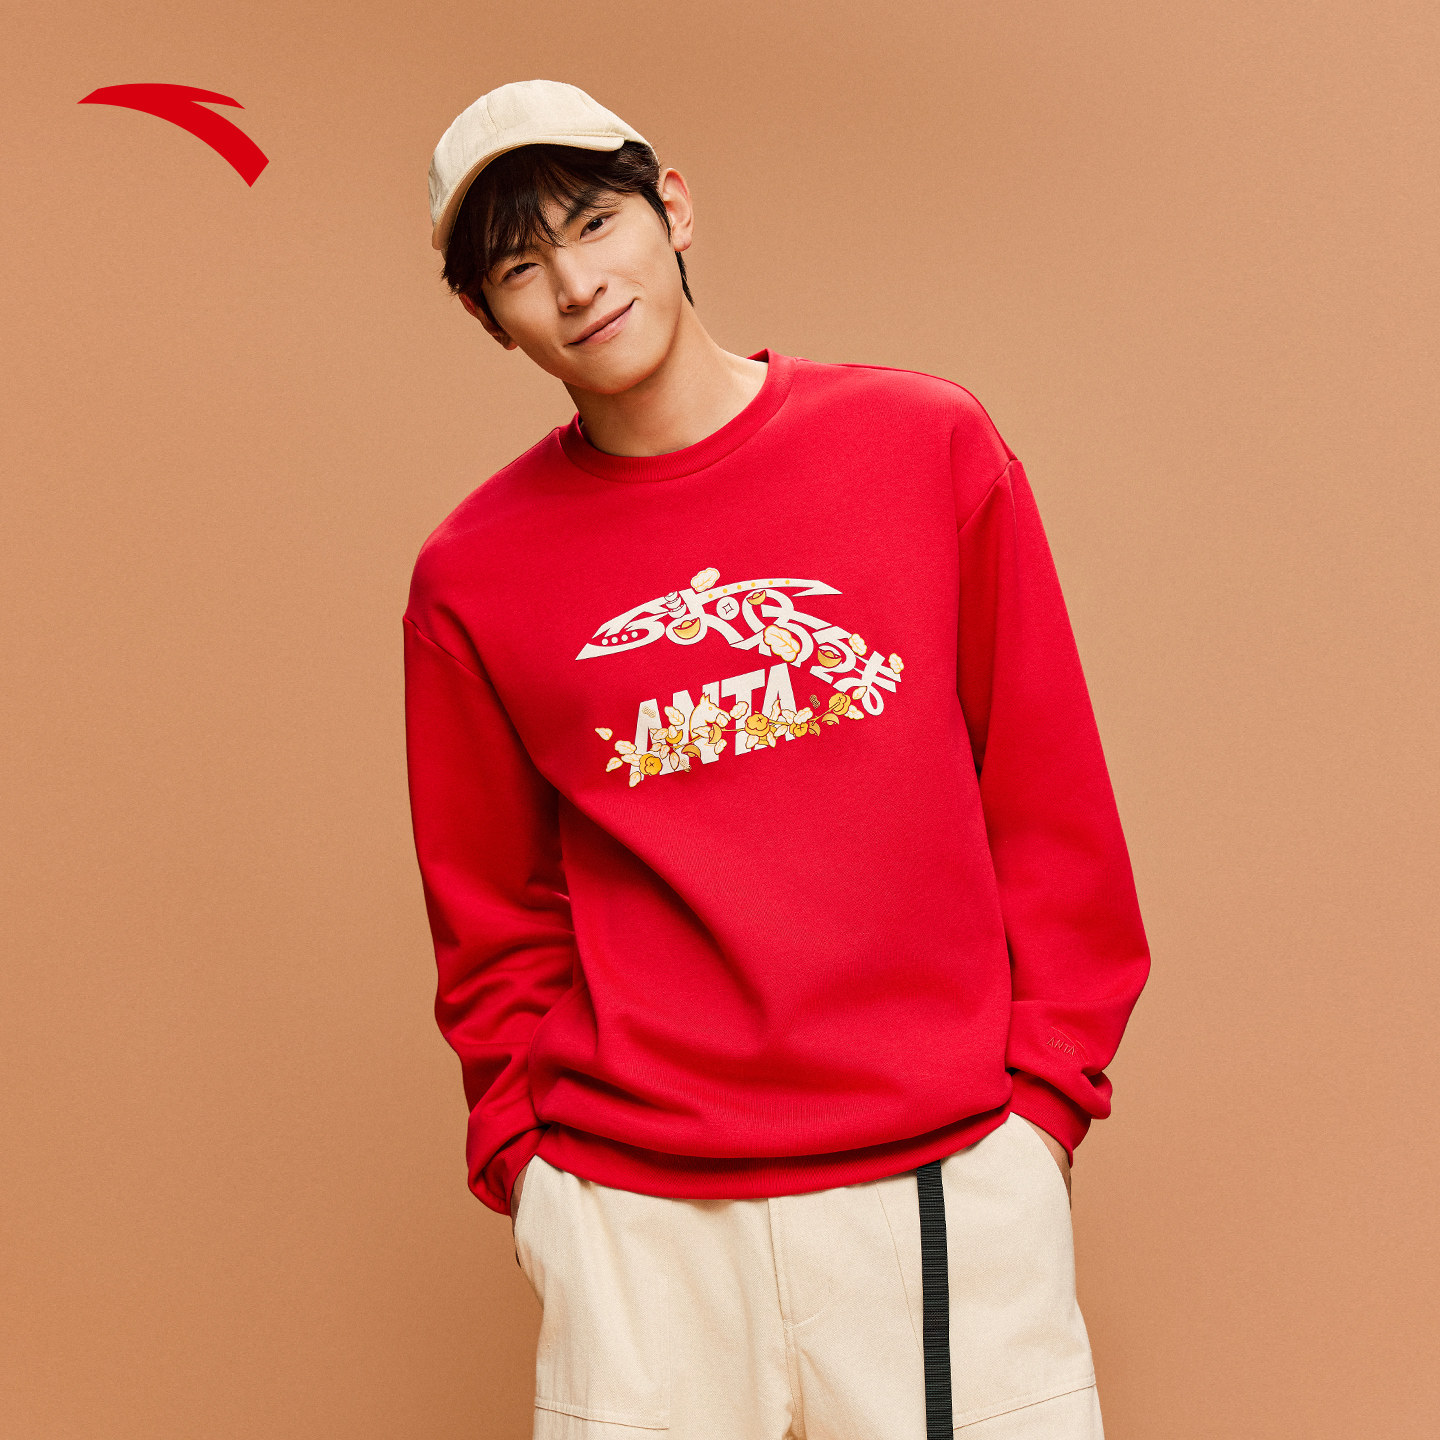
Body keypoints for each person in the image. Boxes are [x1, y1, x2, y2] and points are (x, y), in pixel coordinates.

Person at [404, 77, 1151, 1440]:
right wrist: (536, 1174)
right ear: (485, 316)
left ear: (674, 209)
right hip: (636, 1216)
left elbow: (1048, 799)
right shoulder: (474, 576)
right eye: (520, 266)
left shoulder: (922, 444)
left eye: (596, 223)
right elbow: (487, 912)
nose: (576, 284)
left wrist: (1041, 1107)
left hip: (944, 1176)